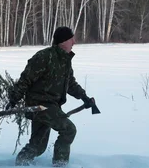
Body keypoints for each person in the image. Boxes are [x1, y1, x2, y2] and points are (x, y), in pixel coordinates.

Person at [6, 26, 96, 167]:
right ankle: (60, 164)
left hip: (51, 105)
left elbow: (70, 83)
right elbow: (26, 79)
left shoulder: (65, 60)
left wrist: (84, 97)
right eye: (72, 39)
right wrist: (14, 99)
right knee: (68, 129)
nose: (74, 42)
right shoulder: (44, 57)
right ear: (64, 41)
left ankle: (21, 163)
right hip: (40, 105)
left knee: (38, 146)